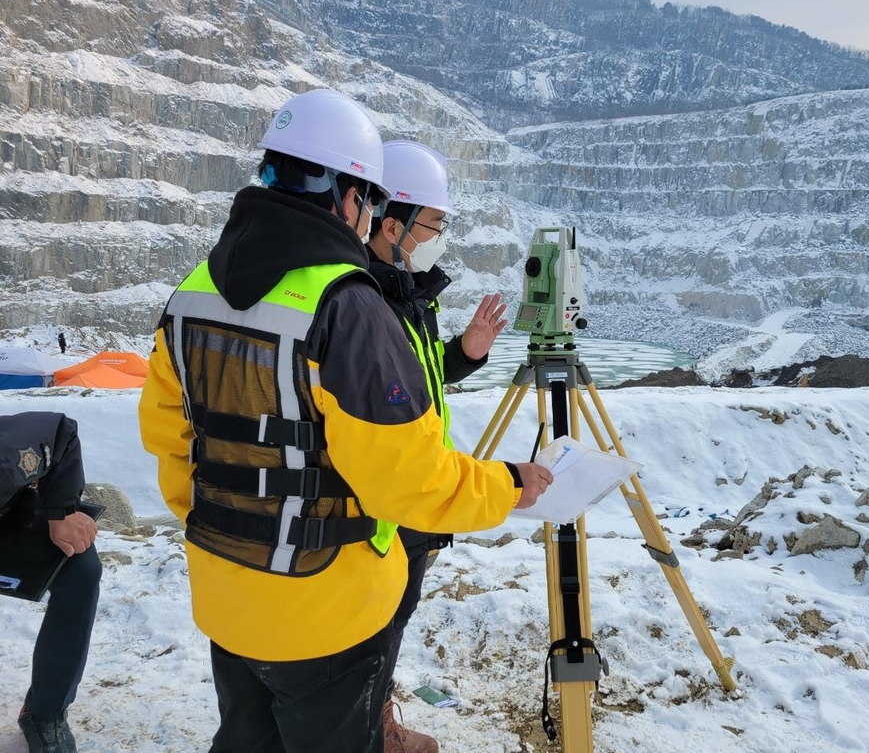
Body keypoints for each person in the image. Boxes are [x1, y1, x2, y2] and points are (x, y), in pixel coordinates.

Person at [138, 88, 553, 753]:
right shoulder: (345, 307)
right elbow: (405, 482)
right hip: (325, 612)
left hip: (224, 593)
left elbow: (170, 444)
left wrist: (235, 531)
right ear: (350, 197)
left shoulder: (192, 294)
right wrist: (506, 485)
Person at [366, 139, 506, 753]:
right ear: (391, 224)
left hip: (411, 498)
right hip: (386, 502)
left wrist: (465, 354)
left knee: (392, 622)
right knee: (376, 624)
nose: (439, 238)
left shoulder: (408, 290)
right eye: (434, 225)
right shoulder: (362, 300)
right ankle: (370, 731)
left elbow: (413, 381)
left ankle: (375, 718)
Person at [0, 412, 101, 753]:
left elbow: (61, 432)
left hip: (9, 515)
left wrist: (61, 510)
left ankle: (45, 712)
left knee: (81, 570)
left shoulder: (7, 452)